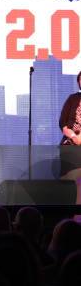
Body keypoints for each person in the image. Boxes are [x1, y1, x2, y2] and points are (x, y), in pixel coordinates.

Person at [59, 71, 81, 202]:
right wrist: (74, 137)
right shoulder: (72, 98)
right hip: (70, 145)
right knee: (69, 181)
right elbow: (63, 123)